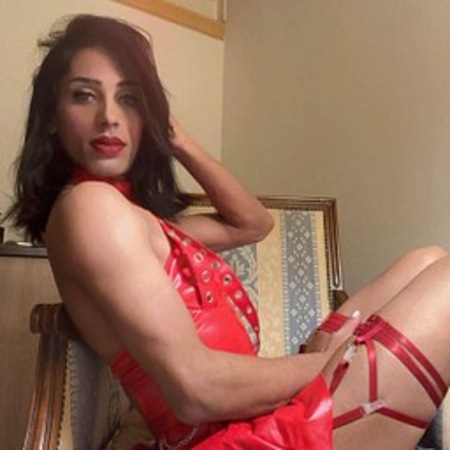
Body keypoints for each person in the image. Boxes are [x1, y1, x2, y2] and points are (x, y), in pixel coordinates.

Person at [5, 14, 450, 450]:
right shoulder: (90, 210)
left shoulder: (129, 219)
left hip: (254, 417)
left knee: (427, 260)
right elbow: (195, 391)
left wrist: (177, 139)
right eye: (84, 95)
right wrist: (331, 360)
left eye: (130, 99)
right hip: (234, 439)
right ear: (51, 115)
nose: (109, 117)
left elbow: (252, 223)